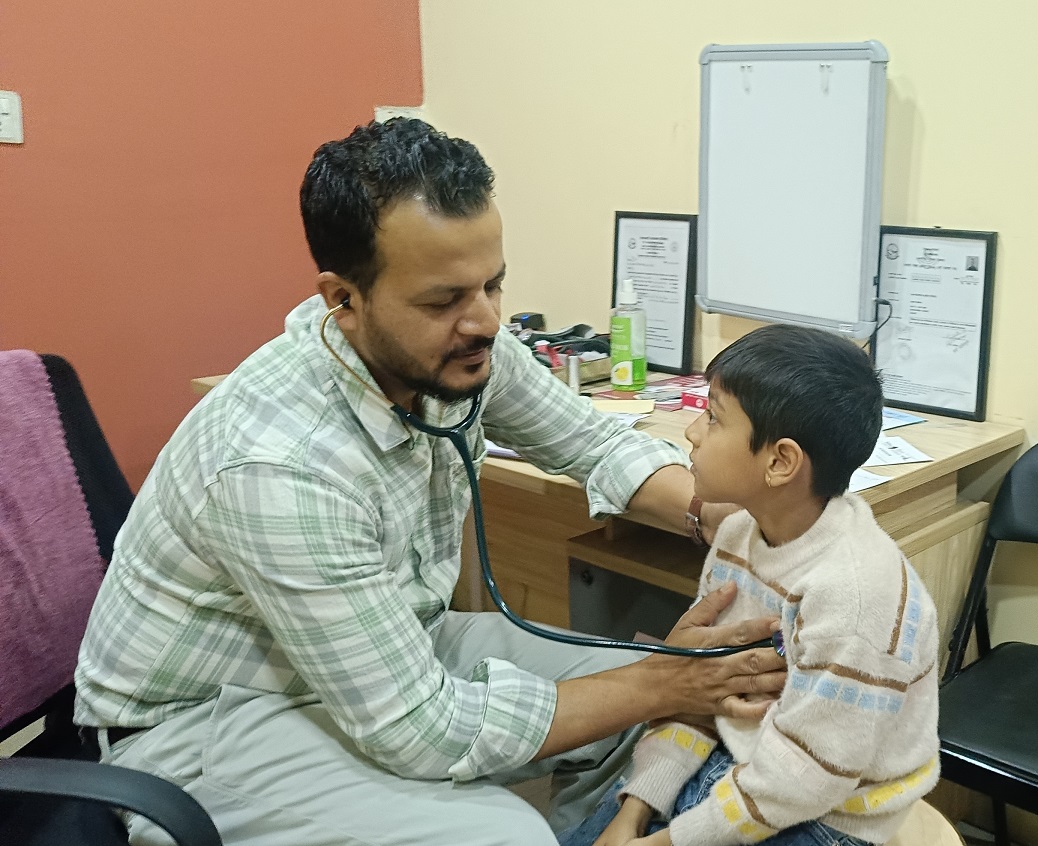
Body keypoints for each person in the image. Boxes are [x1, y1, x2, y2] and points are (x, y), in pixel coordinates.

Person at [73, 118, 784, 846]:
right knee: (511, 831)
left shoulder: (457, 348)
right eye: (444, 301)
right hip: (205, 725)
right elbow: (419, 730)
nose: (485, 322)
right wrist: (658, 683)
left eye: (493, 284)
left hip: (392, 646)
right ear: (343, 298)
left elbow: (593, 441)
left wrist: (725, 520)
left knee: (650, 702)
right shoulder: (280, 463)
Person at [561, 325, 941, 846]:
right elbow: (700, 684)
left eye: (713, 417)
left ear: (780, 462)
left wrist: (662, 842)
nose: (692, 432)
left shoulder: (853, 596)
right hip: (741, 757)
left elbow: (805, 779)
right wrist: (635, 809)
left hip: (827, 813)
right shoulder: (740, 532)